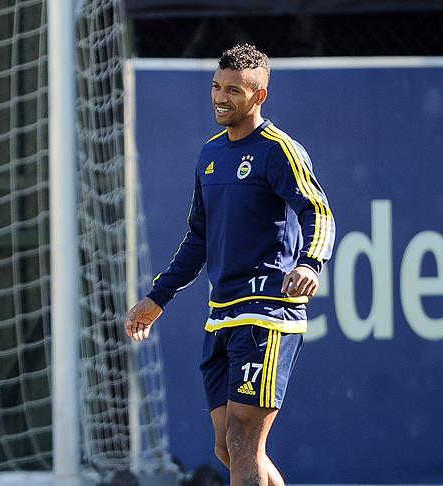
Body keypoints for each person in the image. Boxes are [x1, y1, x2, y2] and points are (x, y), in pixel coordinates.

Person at [124, 44, 334, 486]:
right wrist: (158, 297)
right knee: (227, 446)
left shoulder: (280, 151)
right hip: (222, 313)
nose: (221, 98)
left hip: (267, 312)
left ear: (260, 96)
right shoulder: (210, 154)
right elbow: (198, 237)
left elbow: (318, 211)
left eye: (234, 90)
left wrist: (310, 263)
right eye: (217, 87)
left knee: (243, 439)